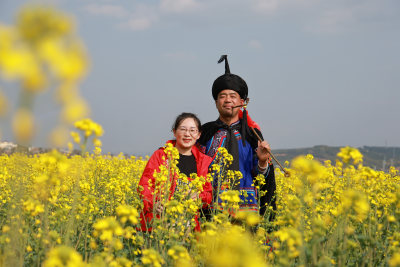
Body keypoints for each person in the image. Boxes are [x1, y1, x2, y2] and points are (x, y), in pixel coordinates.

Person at [198, 55, 276, 216]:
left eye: (233, 96)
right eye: (222, 96)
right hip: (210, 210)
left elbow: (263, 177)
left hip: (246, 212)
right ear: (216, 102)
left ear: (243, 101)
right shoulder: (204, 132)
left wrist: (262, 161)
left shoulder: (252, 133)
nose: (227, 100)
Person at [138, 112, 213, 231]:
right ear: (174, 132)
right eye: (183, 129)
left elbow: (209, 193)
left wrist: (199, 197)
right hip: (158, 224)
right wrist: (154, 204)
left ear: (199, 135)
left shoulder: (204, 162)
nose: (187, 134)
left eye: (192, 130)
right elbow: (144, 185)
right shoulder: (161, 155)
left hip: (188, 226)